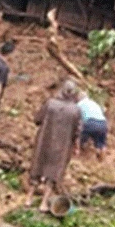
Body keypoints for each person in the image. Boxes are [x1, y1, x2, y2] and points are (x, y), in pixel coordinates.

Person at [26, 80, 82, 212]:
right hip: (62, 145)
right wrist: (76, 146)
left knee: (37, 166)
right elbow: (77, 132)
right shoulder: (75, 110)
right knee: (54, 171)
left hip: (44, 140)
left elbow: (37, 120)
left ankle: (28, 198)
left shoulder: (50, 103)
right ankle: (44, 203)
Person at [77, 91, 108, 158]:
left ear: (79, 98)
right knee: (101, 144)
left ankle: (77, 156)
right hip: (103, 123)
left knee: (79, 139)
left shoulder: (79, 104)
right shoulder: (94, 103)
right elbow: (103, 111)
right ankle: (101, 161)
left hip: (90, 123)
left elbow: (76, 117)